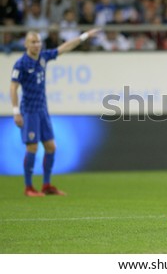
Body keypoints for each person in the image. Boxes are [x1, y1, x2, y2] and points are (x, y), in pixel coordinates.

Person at [10, 28, 100, 197]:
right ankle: (28, 187)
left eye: (38, 42)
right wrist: (16, 111)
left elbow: (64, 47)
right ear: (26, 44)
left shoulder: (43, 58)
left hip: (42, 110)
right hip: (29, 111)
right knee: (33, 147)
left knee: (51, 147)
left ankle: (46, 185)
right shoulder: (21, 64)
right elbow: (13, 87)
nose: (36, 45)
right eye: (33, 42)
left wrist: (84, 36)